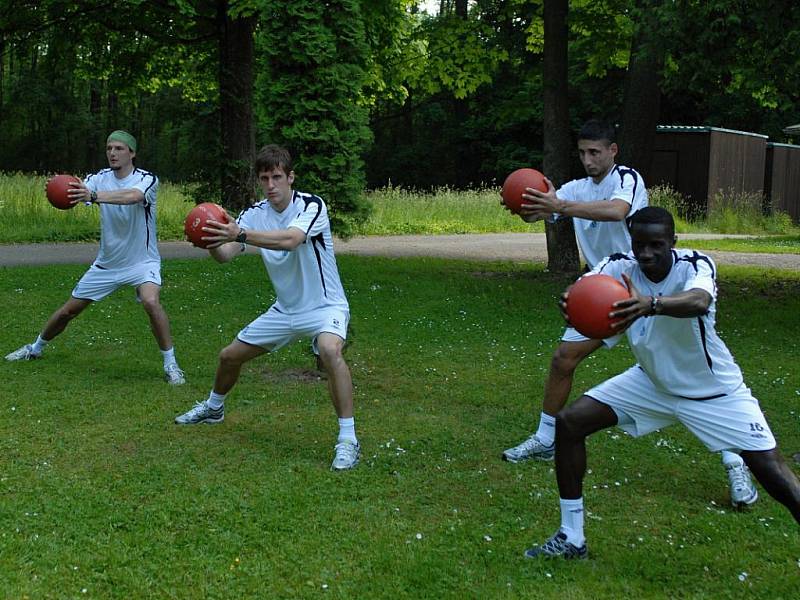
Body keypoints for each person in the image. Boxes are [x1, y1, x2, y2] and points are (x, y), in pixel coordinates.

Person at [500, 119, 756, 508]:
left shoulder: (627, 180)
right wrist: (523, 202)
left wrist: (560, 205)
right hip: (605, 293)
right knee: (563, 358)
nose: (588, 160)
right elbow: (543, 212)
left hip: (652, 287)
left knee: (694, 376)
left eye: (595, 152)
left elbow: (617, 210)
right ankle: (546, 437)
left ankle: (734, 459)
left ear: (613, 150)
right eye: (582, 153)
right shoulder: (574, 189)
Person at [525, 207, 800, 559]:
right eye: (639, 244)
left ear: (673, 241)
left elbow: (698, 301)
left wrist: (650, 304)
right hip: (650, 383)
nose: (646, 254)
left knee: (773, 472)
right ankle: (571, 537)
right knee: (570, 423)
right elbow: (585, 288)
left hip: (713, 391)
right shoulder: (619, 264)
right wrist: (571, 299)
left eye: (656, 245)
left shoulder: (695, 264)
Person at [173, 144, 360, 471]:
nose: (271, 185)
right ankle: (214, 408)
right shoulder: (254, 213)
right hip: (286, 310)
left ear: (290, 177)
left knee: (330, 351)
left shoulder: (311, 206)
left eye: (277, 177)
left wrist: (240, 233)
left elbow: (290, 240)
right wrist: (210, 241)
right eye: (264, 178)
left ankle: (348, 440)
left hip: (325, 306)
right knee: (229, 356)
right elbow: (228, 254)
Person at [5, 130, 185, 385]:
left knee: (150, 301)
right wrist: (62, 188)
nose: (113, 153)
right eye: (109, 148)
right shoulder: (99, 179)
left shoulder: (147, 179)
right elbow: (79, 190)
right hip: (107, 264)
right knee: (68, 311)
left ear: (132, 153)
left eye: (119, 148)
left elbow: (133, 196)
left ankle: (171, 365)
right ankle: (34, 348)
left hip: (142, 262)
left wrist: (94, 196)